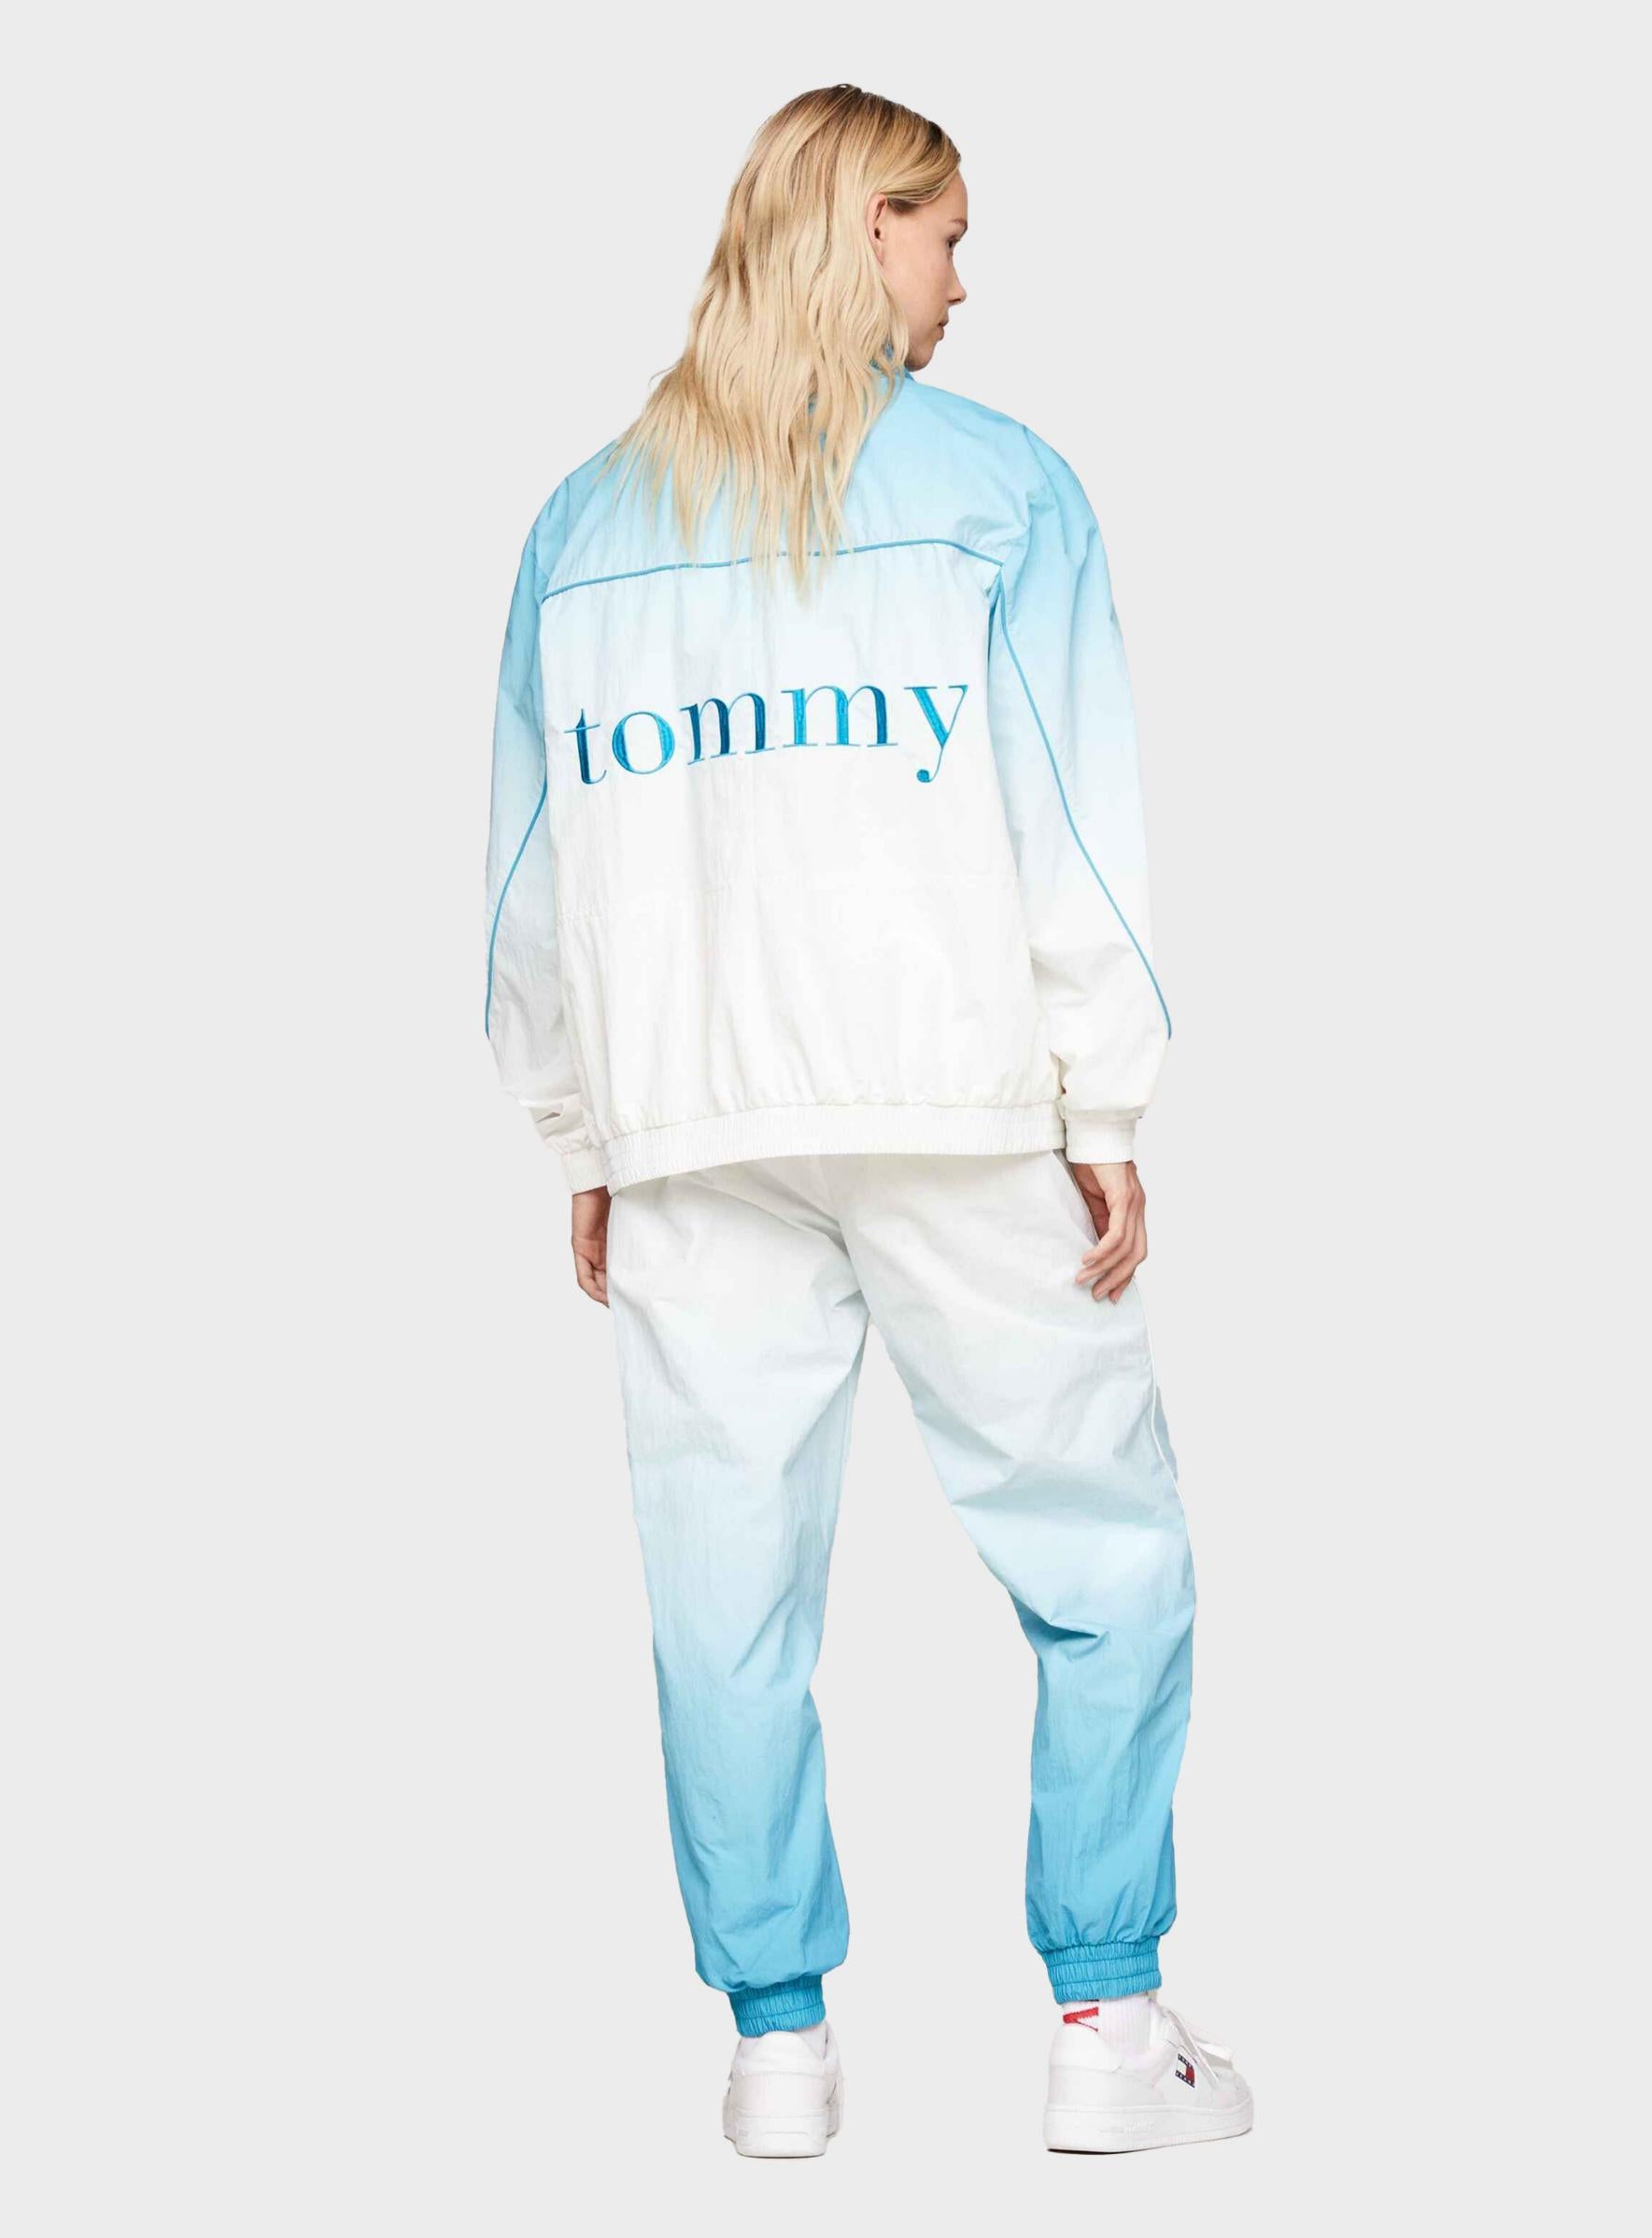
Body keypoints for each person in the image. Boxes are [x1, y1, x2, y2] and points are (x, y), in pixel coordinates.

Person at [483, 83, 1251, 2158]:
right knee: (1103, 1556)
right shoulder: (1000, 489)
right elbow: (1069, 818)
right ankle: (1104, 2024)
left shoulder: (580, 525)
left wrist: (585, 1135)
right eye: (944, 234)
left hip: (693, 1131)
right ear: (867, 228)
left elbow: (525, 881)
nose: (962, 280)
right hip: (953, 1106)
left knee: (719, 1595)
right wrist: (1104, 1101)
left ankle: (776, 2048)